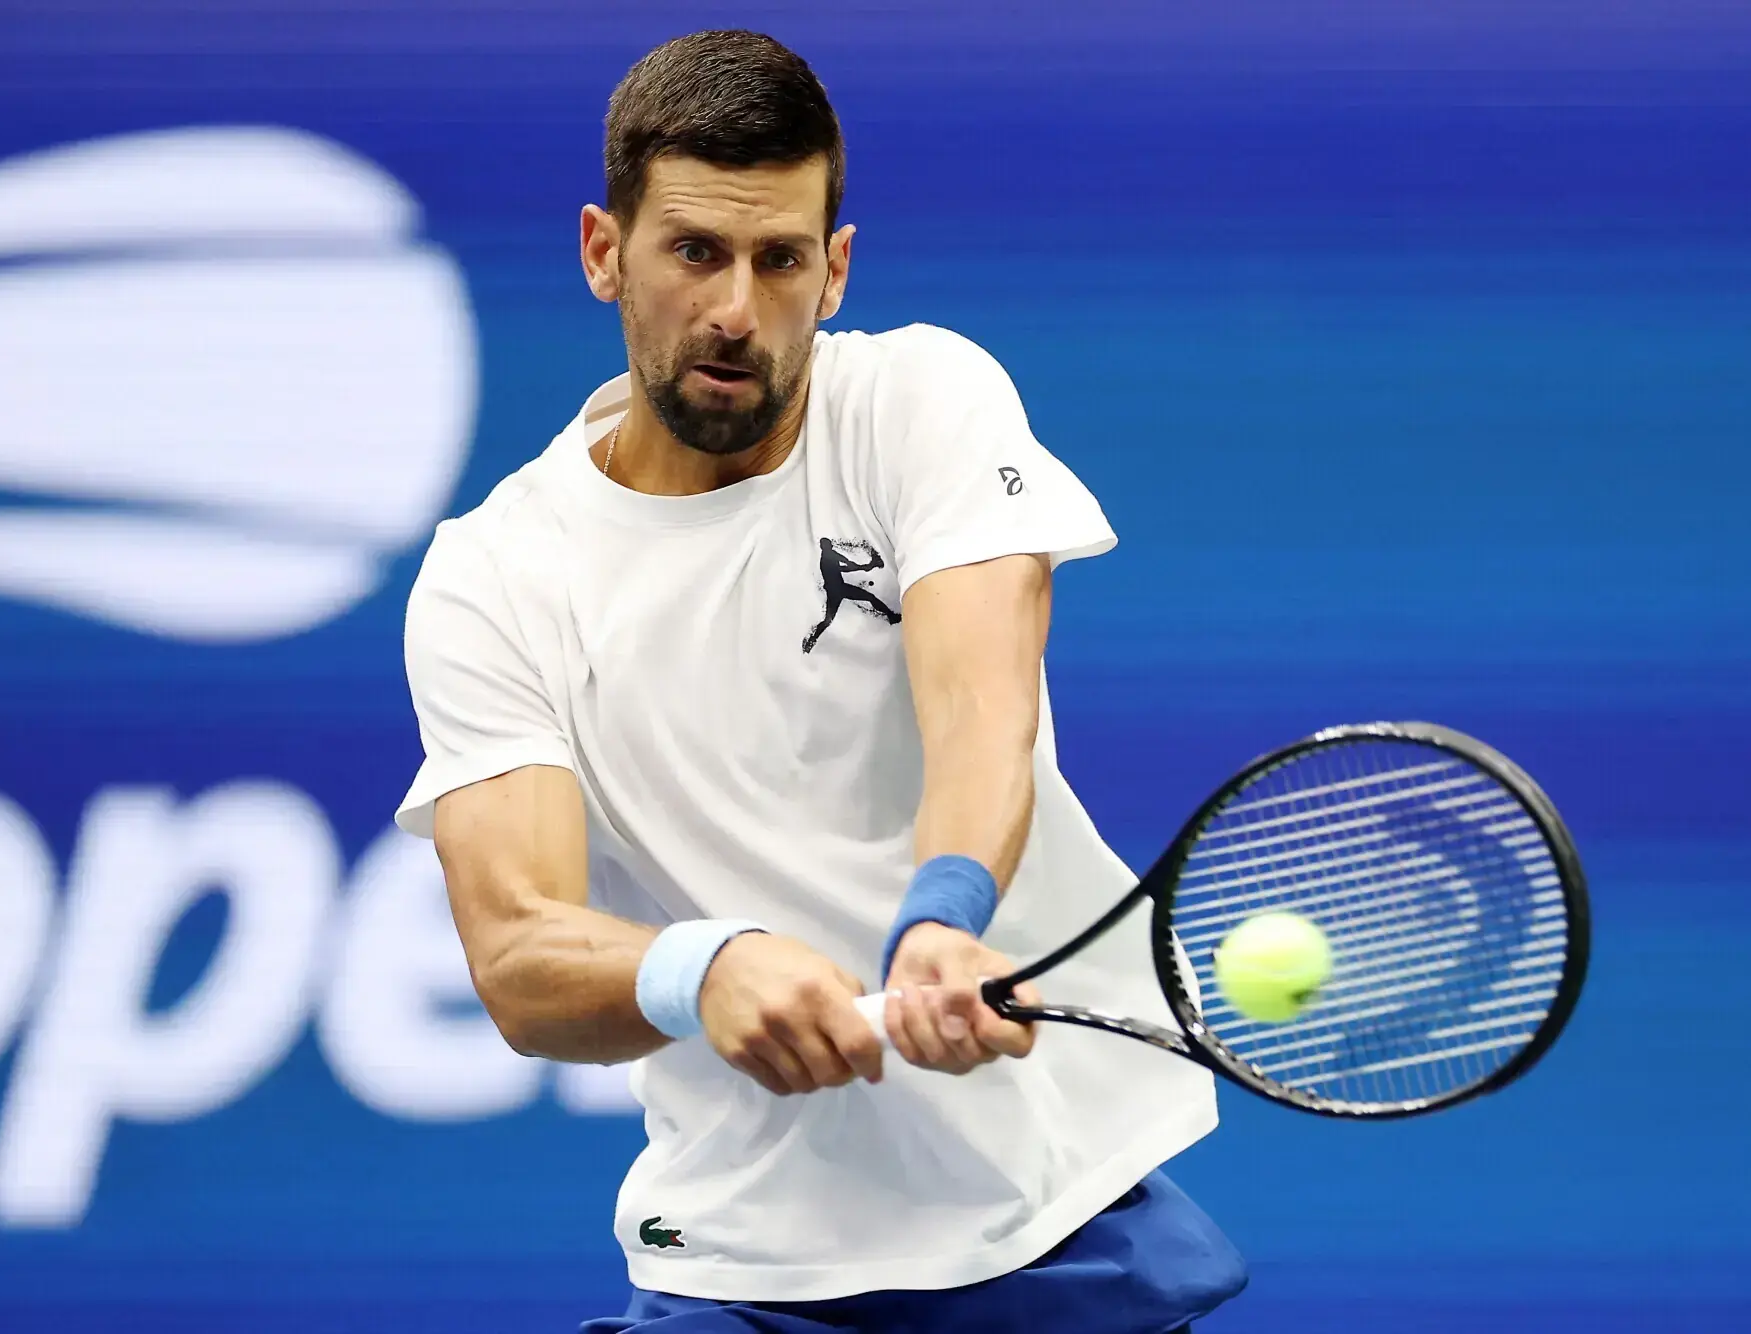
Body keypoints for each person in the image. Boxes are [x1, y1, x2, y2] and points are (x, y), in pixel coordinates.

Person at [395, 28, 1246, 1334]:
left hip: (1044, 1218)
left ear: (834, 269)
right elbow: (516, 948)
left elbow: (983, 702)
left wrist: (946, 912)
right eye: (694, 251)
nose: (737, 307)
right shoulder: (494, 578)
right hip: (744, 1262)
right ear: (602, 252)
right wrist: (705, 961)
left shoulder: (923, 403)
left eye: (779, 258)